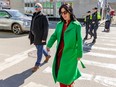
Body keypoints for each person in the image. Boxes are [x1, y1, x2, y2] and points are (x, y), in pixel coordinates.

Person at [46, 3, 84, 87]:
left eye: (65, 12)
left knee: (68, 76)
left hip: (71, 55)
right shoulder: (59, 24)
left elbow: (79, 40)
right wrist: (49, 45)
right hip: (60, 54)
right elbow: (55, 35)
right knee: (61, 74)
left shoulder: (76, 25)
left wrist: (79, 54)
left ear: (70, 12)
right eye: (61, 13)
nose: (63, 15)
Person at [29, 3, 51, 72]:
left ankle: (37, 64)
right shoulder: (34, 15)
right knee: (39, 48)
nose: (36, 7)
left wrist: (44, 39)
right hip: (34, 36)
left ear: (41, 8)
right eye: (35, 6)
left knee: (39, 50)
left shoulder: (43, 16)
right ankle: (47, 55)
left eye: (38, 6)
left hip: (40, 37)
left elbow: (46, 28)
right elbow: (32, 26)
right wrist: (30, 34)